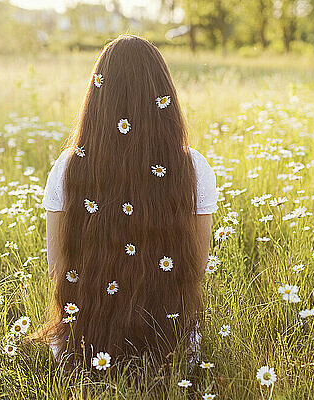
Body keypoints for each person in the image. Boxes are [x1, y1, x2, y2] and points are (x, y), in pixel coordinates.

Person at [34, 35, 218, 368]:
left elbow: (56, 268)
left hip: (80, 347)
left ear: (97, 98)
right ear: (164, 98)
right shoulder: (193, 168)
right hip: (171, 348)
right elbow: (197, 267)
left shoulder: (68, 166)